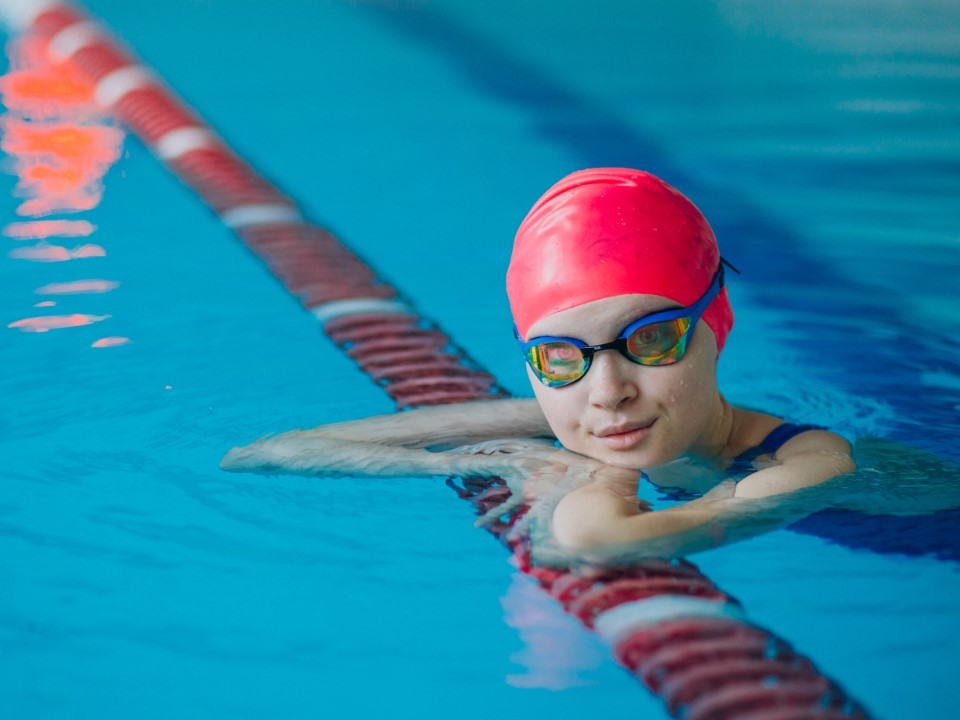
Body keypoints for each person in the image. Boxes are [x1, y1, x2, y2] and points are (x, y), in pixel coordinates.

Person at [220, 168, 936, 564]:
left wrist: (597, 475)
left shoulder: (813, 461)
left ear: (717, 324)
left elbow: (589, 541)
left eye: (651, 341)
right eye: (560, 357)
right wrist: (502, 459)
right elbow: (270, 451)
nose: (608, 393)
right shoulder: (572, 416)